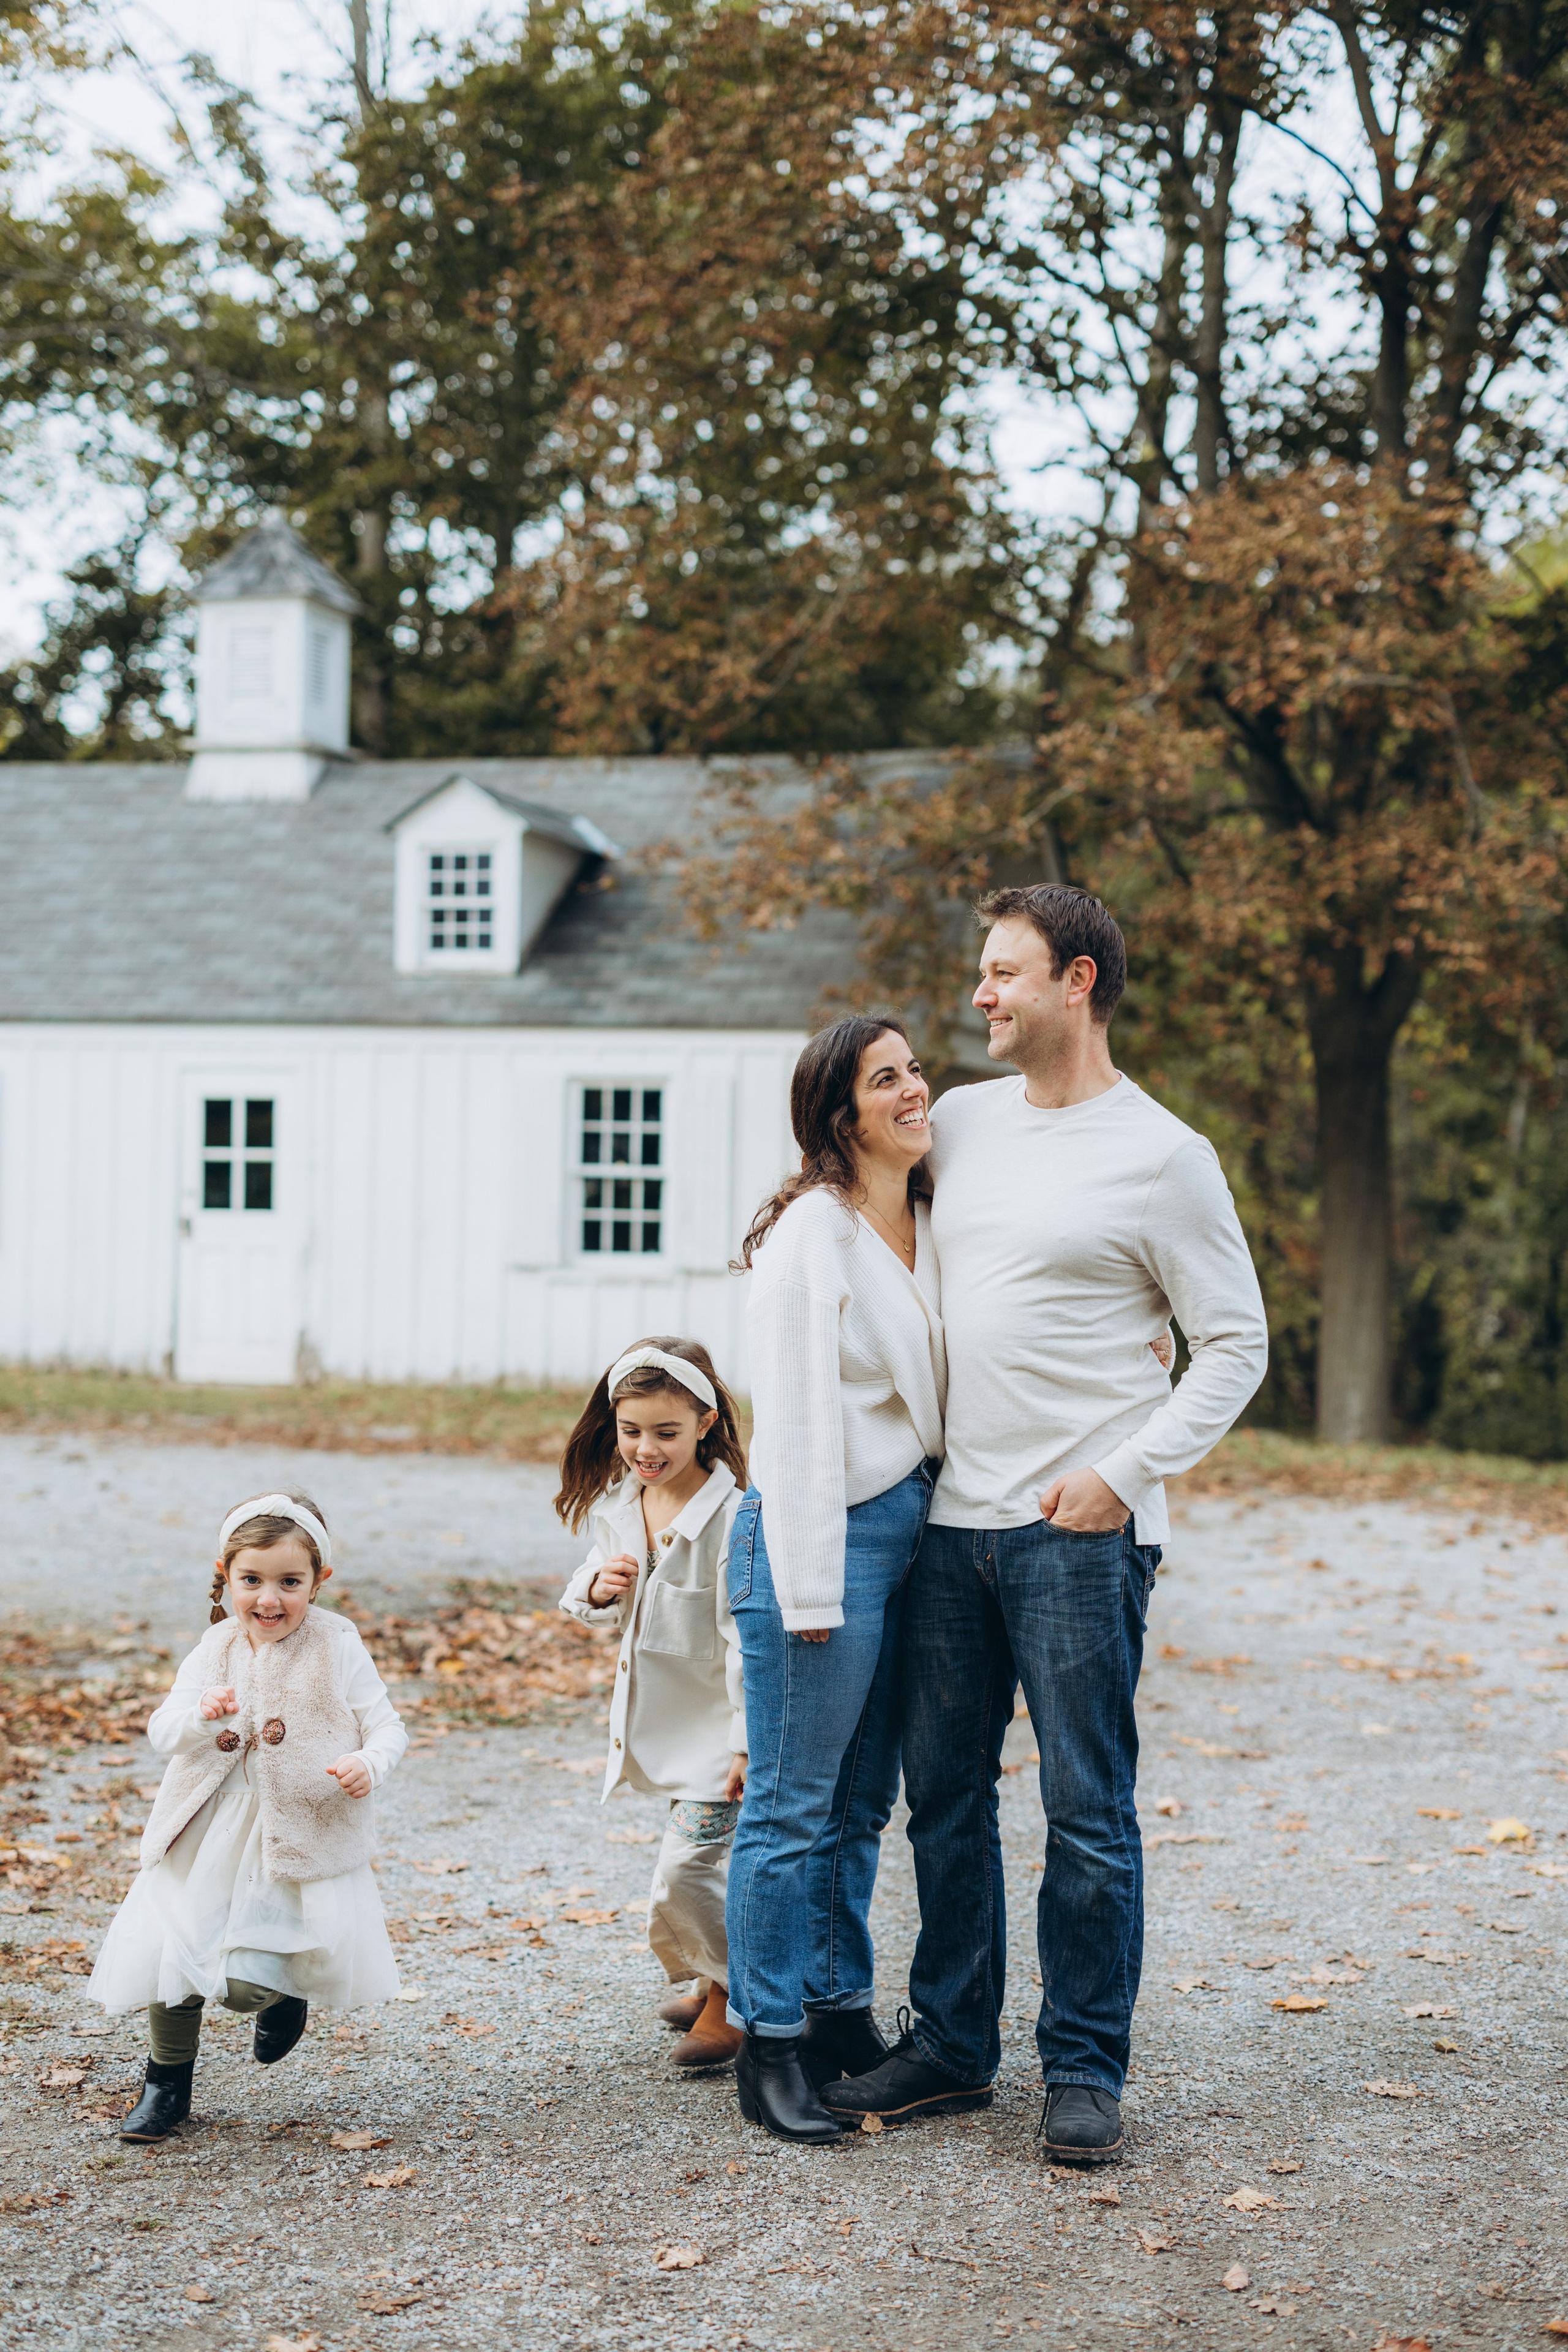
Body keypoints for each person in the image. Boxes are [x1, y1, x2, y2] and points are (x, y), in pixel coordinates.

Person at [822, 886, 1268, 2162]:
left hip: (1079, 1533)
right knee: (943, 1801)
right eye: (979, 972)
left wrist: (1124, 1474)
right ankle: (953, 2048)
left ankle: (1082, 2069)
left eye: (1003, 974)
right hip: (946, 1525)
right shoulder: (956, 1120)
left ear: (1076, 982)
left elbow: (1232, 1344)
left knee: (1087, 1810)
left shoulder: (1163, 1155)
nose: (979, 996)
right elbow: (852, 1205)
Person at [725, 1013, 946, 2144]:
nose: (915, 1089)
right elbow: (801, 1426)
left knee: (861, 1805)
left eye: (916, 1069)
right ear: (839, 1114)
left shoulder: (924, 1213)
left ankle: (837, 2011)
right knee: (791, 1807)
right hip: (823, 1535)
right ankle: (768, 2044)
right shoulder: (811, 1234)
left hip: (911, 1530)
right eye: (886, 1078)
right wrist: (808, 1590)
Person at [90, 1490, 407, 2142]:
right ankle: (165, 2086)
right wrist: (199, 1716)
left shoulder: (337, 1644)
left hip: (288, 1830)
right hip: (206, 1826)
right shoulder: (215, 1647)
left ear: (319, 1580)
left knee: (239, 1981)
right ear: (225, 1576)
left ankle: (281, 1995)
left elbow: (387, 1726)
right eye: (252, 1581)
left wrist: (367, 1764)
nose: (270, 1600)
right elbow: (163, 1731)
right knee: (175, 1955)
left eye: (290, 1582)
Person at [557, 1337, 750, 2070]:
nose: (645, 1447)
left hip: (717, 1739)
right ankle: (709, 1980)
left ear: (705, 1422)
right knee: (699, 1865)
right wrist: (595, 1589)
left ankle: (733, 1999)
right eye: (631, 1430)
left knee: (689, 1868)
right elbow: (595, 1595)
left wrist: (746, 1740)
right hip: (659, 1730)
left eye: (666, 1432)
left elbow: (743, 1640)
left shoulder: (733, 1517)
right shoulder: (620, 1504)